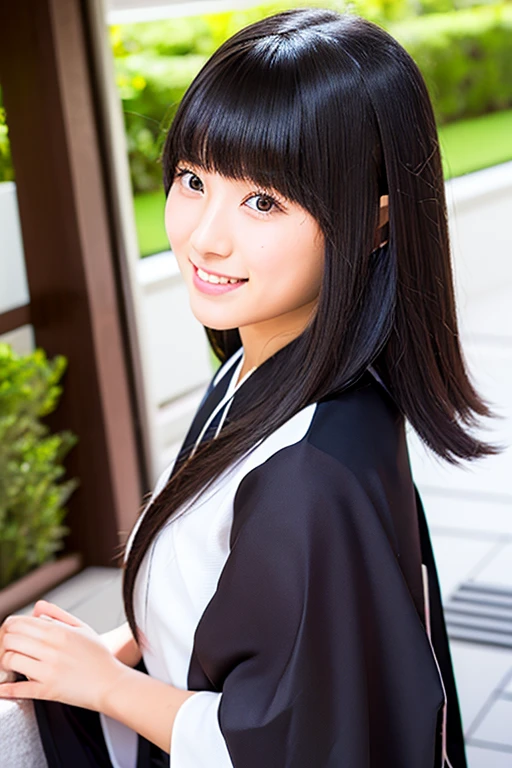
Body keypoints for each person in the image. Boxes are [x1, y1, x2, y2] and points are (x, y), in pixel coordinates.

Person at [0, 7, 500, 767]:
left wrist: (105, 685)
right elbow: (244, 602)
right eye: (194, 180)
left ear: (375, 225)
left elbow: (284, 746)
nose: (206, 236)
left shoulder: (310, 476)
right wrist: (124, 643)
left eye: (263, 201)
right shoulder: (261, 374)